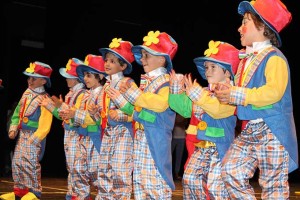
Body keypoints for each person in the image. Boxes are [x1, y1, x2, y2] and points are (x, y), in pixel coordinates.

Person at [214, 0, 298, 199]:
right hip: (251, 128)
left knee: (273, 185)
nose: (239, 27)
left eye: (245, 22)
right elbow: (244, 94)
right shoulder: (247, 60)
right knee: (230, 170)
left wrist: (236, 94)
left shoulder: (274, 57)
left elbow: (274, 92)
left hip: (273, 129)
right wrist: (227, 92)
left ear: (262, 26)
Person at [169, 40, 240, 199]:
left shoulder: (232, 92)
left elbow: (217, 110)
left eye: (213, 67)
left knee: (216, 188)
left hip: (220, 148)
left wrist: (196, 94)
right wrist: (175, 90)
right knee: (190, 180)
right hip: (201, 149)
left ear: (228, 72)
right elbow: (184, 109)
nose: (208, 71)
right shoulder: (204, 93)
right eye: (207, 67)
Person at [118, 30, 178, 199]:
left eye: (146, 55)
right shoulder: (148, 83)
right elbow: (141, 113)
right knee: (140, 185)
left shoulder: (166, 82)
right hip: (142, 140)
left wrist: (134, 94)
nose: (142, 59)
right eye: (142, 55)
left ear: (161, 59)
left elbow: (160, 105)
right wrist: (125, 102)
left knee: (155, 185)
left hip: (155, 140)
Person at [87, 38, 135, 199]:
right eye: (106, 60)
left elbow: (137, 110)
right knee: (105, 168)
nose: (107, 64)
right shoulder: (106, 86)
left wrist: (120, 115)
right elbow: (103, 114)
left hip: (123, 133)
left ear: (123, 66)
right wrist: (95, 112)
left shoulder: (128, 83)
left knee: (120, 170)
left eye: (112, 61)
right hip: (107, 133)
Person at [0, 61, 53, 200]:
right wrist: (13, 127)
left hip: (34, 136)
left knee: (30, 164)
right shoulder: (27, 93)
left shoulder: (45, 99)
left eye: (33, 78)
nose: (30, 80)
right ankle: (19, 190)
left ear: (43, 80)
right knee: (17, 162)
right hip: (22, 134)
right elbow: (18, 111)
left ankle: (35, 192)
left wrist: (36, 139)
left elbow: (46, 123)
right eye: (29, 77)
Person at [59, 54, 106, 199]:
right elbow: (78, 118)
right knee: (78, 169)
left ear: (100, 76)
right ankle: (80, 196)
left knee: (96, 172)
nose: (85, 79)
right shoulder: (86, 95)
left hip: (96, 139)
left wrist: (75, 114)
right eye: (84, 75)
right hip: (83, 138)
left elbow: (97, 119)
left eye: (89, 75)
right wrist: (67, 113)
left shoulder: (103, 94)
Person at [40, 58, 86, 200]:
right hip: (69, 134)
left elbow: (76, 115)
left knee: (77, 168)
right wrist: (53, 107)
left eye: (69, 77)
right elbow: (64, 117)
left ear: (77, 79)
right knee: (71, 167)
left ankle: (80, 195)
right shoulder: (70, 94)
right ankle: (72, 194)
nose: (66, 79)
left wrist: (59, 106)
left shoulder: (83, 94)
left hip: (77, 135)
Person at [171, 113, 188, 181]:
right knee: (168, 156)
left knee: (179, 157)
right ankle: (168, 173)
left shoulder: (185, 113)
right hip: (173, 137)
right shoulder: (173, 113)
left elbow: (185, 123)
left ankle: (177, 174)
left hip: (182, 137)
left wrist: (176, 122)